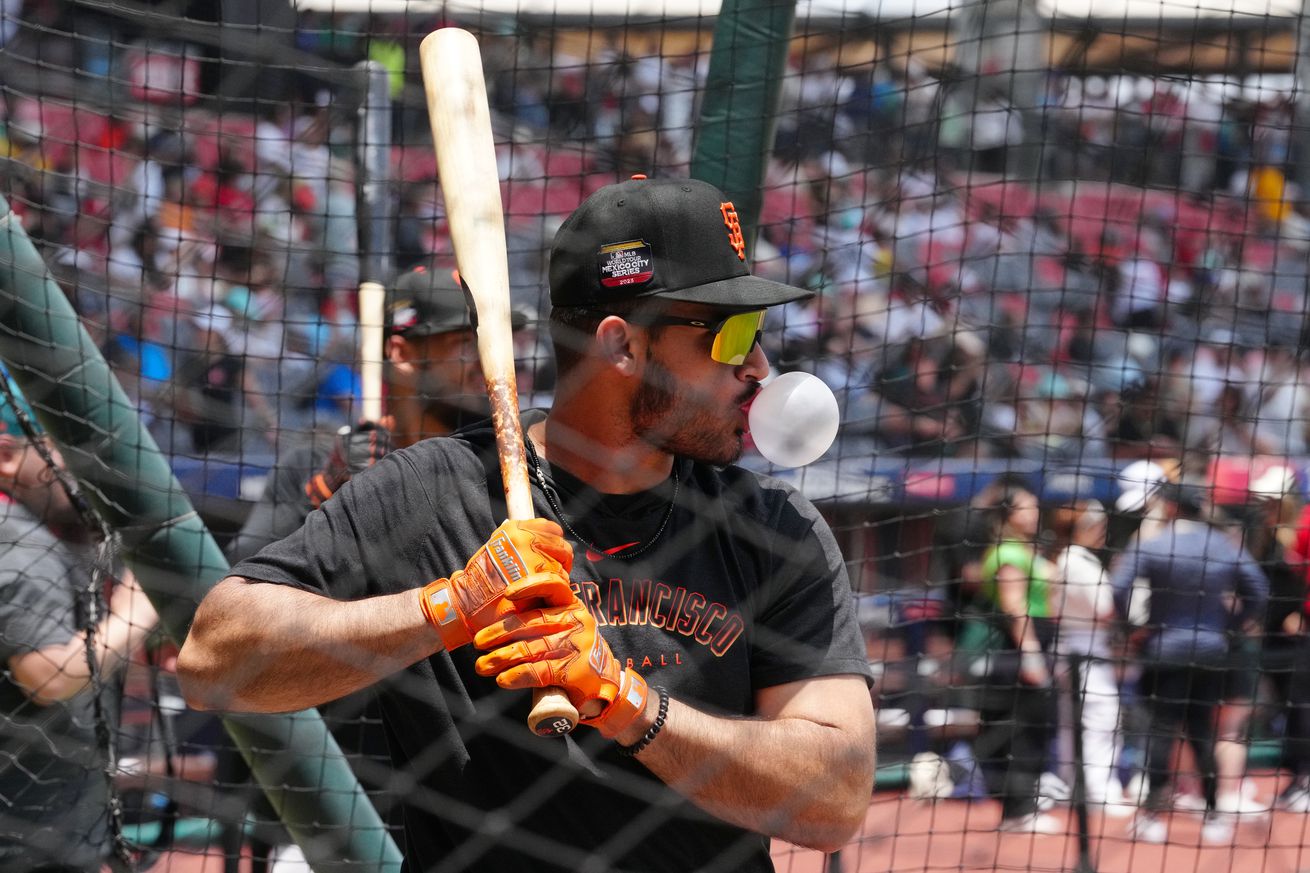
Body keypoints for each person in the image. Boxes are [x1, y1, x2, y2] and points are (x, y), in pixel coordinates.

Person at [177, 176, 877, 873]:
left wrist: (626, 700)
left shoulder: (775, 527)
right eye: (735, 335)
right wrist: (447, 605)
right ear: (622, 346)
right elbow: (214, 661)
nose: (759, 366)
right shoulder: (435, 490)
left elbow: (836, 799)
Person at [0, 384, 160, 871]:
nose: (91, 468)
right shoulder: (17, 542)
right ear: (7, 456)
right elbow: (49, 674)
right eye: (69, 449)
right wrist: (139, 609)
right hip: (30, 839)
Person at [1110, 481, 1268, 845]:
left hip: (1164, 651)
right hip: (1212, 653)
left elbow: (1119, 588)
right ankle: (1213, 813)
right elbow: (1258, 588)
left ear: (1170, 508)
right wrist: (1229, 625)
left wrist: (1135, 626)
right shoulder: (1223, 546)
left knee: (1160, 732)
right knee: (1202, 732)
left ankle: (1151, 814)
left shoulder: (1153, 544)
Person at [963, 482, 1059, 834]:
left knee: (1032, 727)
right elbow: (1014, 607)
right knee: (1016, 730)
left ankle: (1022, 807)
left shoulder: (1022, 549)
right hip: (1014, 650)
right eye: (1026, 507)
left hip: (1029, 645)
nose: (1034, 512)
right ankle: (1017, 810)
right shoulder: (1008, 553)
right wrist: (1032, 653)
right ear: (1008, 515)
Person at [1051, 499, 1128, 815]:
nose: (1101, 530)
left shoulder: (1070, 558)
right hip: (1085, 648)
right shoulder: (1078, 560)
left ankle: (1078, 787)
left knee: (1077, 721)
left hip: (1076, 646)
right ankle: (1097, 791)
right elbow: (1105, 609)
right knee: (1101, 718)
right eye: (1096, 524)